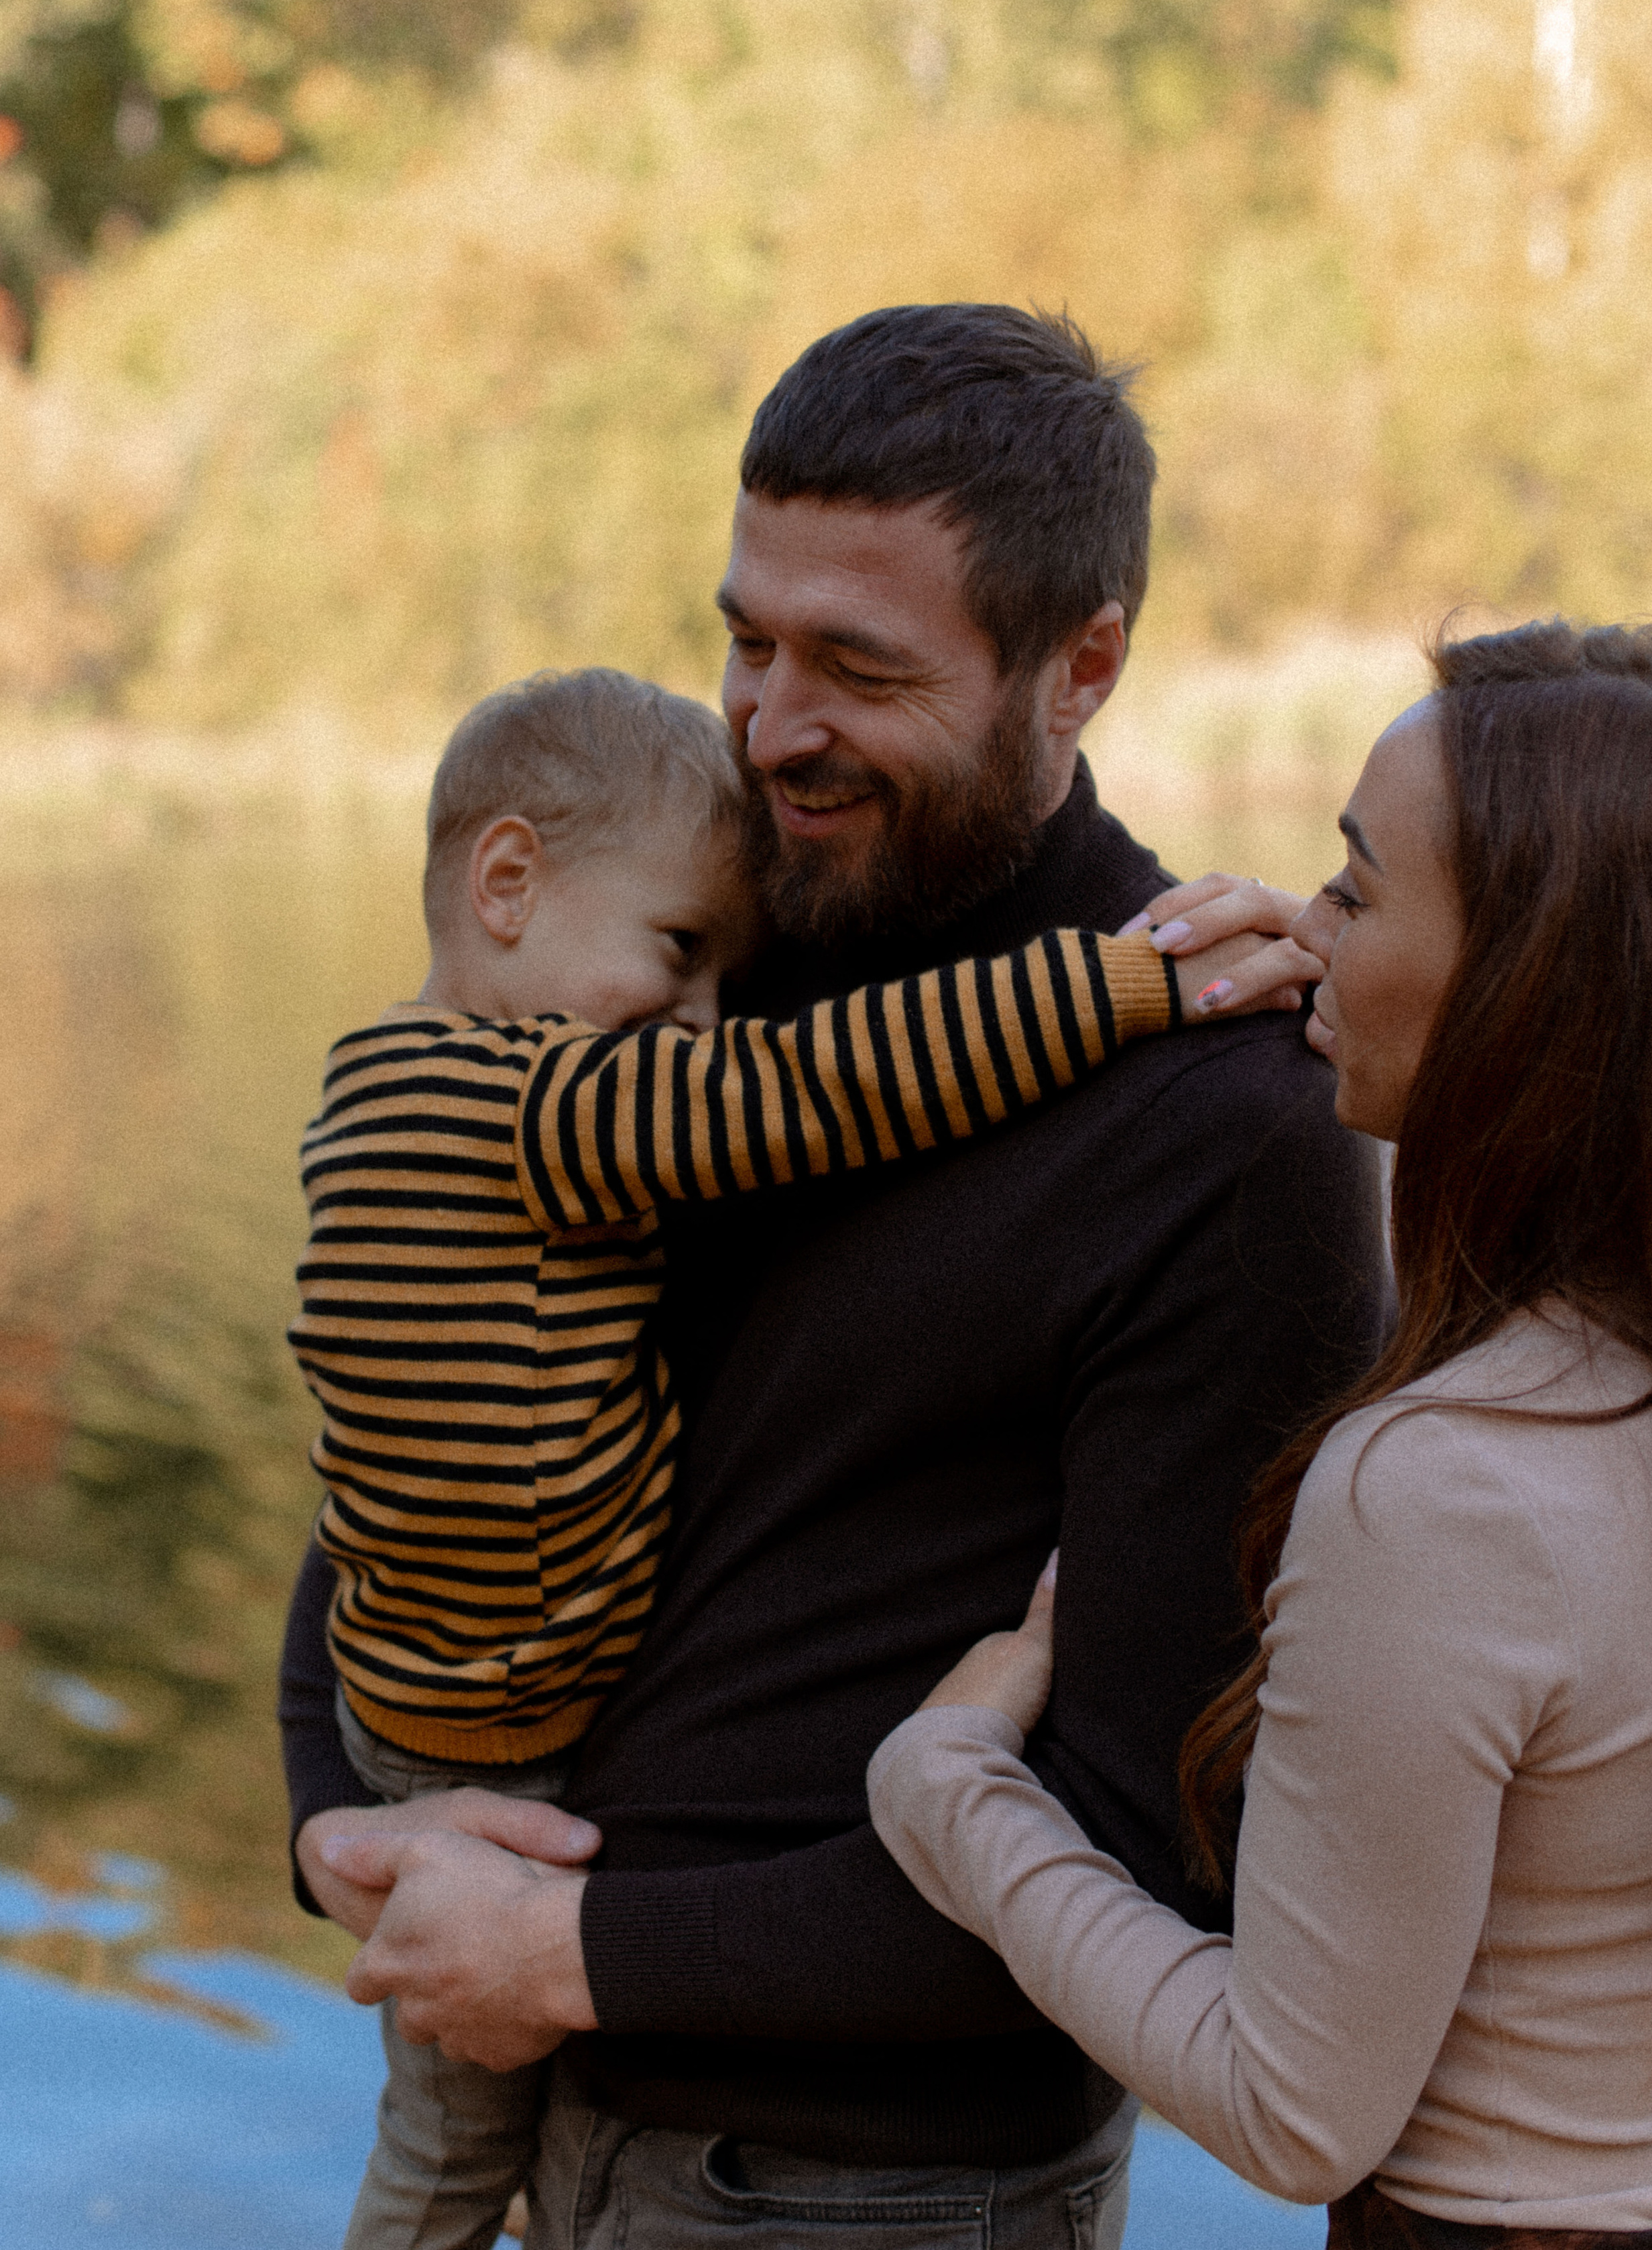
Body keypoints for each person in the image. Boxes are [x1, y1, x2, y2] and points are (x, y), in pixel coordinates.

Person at [280, 302, 1388, 2250]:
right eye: (747, 639)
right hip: (544, 2105)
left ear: (1084, 665)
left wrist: (582, 1948)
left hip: (871, 2190)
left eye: (858, 667)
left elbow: (1157, 1860)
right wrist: (341, 1816)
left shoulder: (1228, 1130)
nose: (773, 725)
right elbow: (408, 1411)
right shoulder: (679, 965)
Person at [291, 661, 1220, 2250]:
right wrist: (1122, 989)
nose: (704, 1019)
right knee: (447, 2160)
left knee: (455, 2143)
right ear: (507, 883)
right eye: (679, 952)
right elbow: (819, 1088)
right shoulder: (540, 1105)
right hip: (494, 1758)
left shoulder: (369, 1082)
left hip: (407, 1719)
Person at [868, 618, 1652, 2249]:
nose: (1300, 923)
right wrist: (1351, 1013)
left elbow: (1293, 2106)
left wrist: (952, 1792)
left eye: (1350, 885)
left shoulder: (1445, 1490)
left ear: (1528, 989)